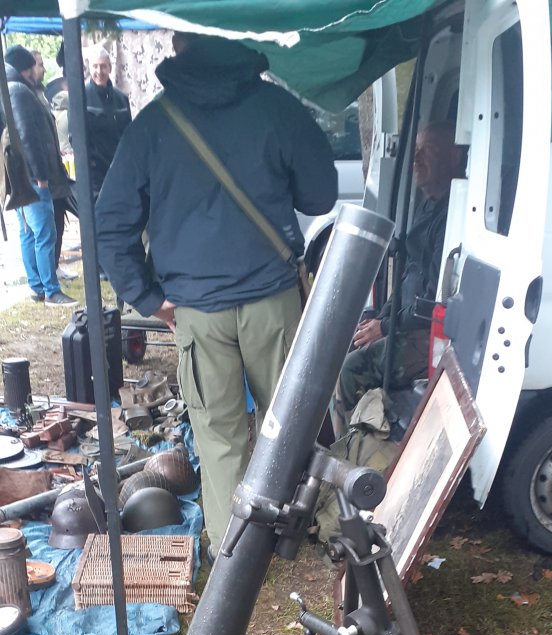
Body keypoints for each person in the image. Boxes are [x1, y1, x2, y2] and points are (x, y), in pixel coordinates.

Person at [96, 34, 337, 557]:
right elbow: (321, 195)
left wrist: (148, 298)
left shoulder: (153, 125)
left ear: (178, 43)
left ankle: (235, 553)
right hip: (273, 299)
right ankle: (300, 528)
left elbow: (110, 224)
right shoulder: (277, 108)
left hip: (197, 311)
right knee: (290, 422)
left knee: (219, 437)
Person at [333, 122, 465, 434]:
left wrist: (385, 327)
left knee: (351, 369)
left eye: (427, 151)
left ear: (453, 157)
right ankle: (359, 434)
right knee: (340, 341)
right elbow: (407, 276)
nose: (416, 159)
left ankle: (357, 448)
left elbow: (431, 300)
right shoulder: (427, 206)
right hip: (404, 321)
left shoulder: (451, 217)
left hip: (425, 332)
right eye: (415, 151)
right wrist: (381, 317)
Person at [4, 45, 74, 306]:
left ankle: (37, 287)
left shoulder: (11, 89)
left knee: (29, 232)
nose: (39, 70)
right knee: (44, 233)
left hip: (22, 176)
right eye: (36, 65)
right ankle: (50, 290)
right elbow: (27, 136)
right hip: (32, 179)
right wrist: (40, 176)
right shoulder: (19, 91)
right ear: (27, 68)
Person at [84, 45, 131, 200]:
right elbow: (76, 138)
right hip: (95, 177)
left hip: (119, 172)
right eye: (95, 66)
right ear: (89, 68)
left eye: (103, 66)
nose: (99, 71)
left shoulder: (121, 99)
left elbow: (128, 136)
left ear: (110, 68)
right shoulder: (81, 98)